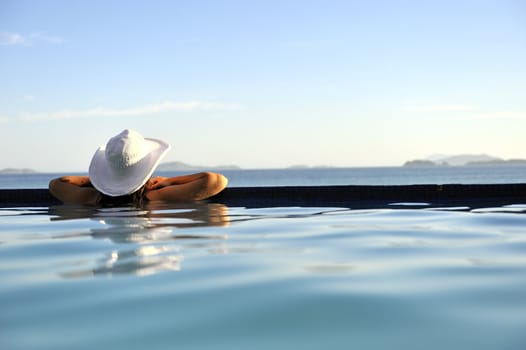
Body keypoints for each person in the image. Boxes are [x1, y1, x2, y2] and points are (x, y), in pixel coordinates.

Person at [49, 129, 228, 206]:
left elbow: (56, 184)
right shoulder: (154, 197)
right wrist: (168, 181)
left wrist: (94, 182)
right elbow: (216, 180)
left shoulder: (91, 197)